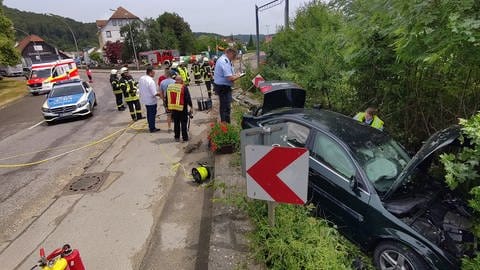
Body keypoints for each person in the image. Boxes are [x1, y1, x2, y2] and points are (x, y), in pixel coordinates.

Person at [213, 47, 242, 123]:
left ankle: (226, 123)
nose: (234, 57)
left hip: (223, 86)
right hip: (223, 87)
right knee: (225, 107)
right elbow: (230, 78)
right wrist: (239, 76)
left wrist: (236, 74)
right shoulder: (224, 61)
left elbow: (230, 74)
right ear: (230, 53)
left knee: (226, 106)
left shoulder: (226, 60)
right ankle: (225, 124)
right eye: (234, 55)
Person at [166, 74, 193, 142]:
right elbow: (187, 98)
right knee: (183, 123)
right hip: (182, 108)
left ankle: (177, 137)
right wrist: (191, 106)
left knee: (176, 123)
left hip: (174, 108)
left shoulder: (170, 87)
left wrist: (167, 106)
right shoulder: (183, 87)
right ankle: (185, 138)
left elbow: (167, 98)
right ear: (181, 80)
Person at [138, 66, 161, 132]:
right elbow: (154, 93)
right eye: (154, 72)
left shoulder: (142, 78)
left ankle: (150, 126)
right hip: (151, 101)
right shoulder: (151, 81)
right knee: (152, 114)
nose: (154, 74)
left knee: (149, 113)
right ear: (150, 73)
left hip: (145, 99)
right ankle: (152, 128)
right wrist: (162, 95)